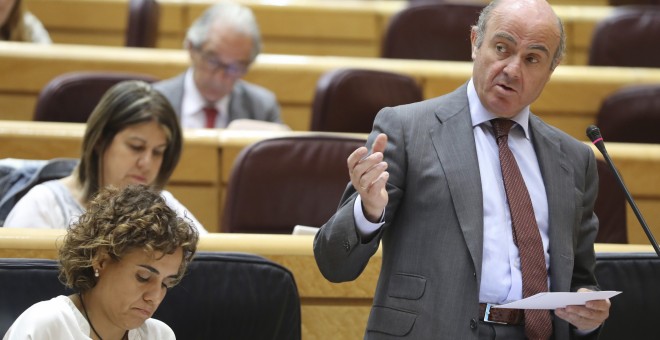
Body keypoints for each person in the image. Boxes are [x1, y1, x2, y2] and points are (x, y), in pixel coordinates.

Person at [314, 0, 611, 339]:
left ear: (551, 69)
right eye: (502, 48)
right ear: (475, 43)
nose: (513, 69)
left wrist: (587, 313)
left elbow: (581, 281)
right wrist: (367, 211)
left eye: (532, 59)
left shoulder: (574, 159)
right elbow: (334, 263)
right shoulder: (407, 129)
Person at [4, 80, 208, 234]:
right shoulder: (44, 206)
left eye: (158, 152)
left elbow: (216, 264)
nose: (146, 163)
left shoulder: (165, 206)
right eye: (136, 147)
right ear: (100, 141)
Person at [3, 185, 199, 340]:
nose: (155, 297)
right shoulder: (45, 326)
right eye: (143, 277)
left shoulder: (160, 336)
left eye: (166, 283)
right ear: (101, 260)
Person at [153, 1, 282, 129]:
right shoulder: (154, 102)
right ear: (191, 49)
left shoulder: (262, 108)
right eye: (213, 61)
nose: (220, 77)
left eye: (235, 67)